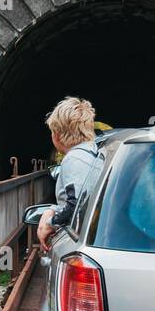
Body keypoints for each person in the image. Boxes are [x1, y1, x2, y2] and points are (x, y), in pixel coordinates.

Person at [38, 96, 100, 251]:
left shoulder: (74, 158)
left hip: (79, 242)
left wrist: (50, 223)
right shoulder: (94, 152)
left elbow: (76, 206)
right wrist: (53, 209)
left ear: (57, 135)